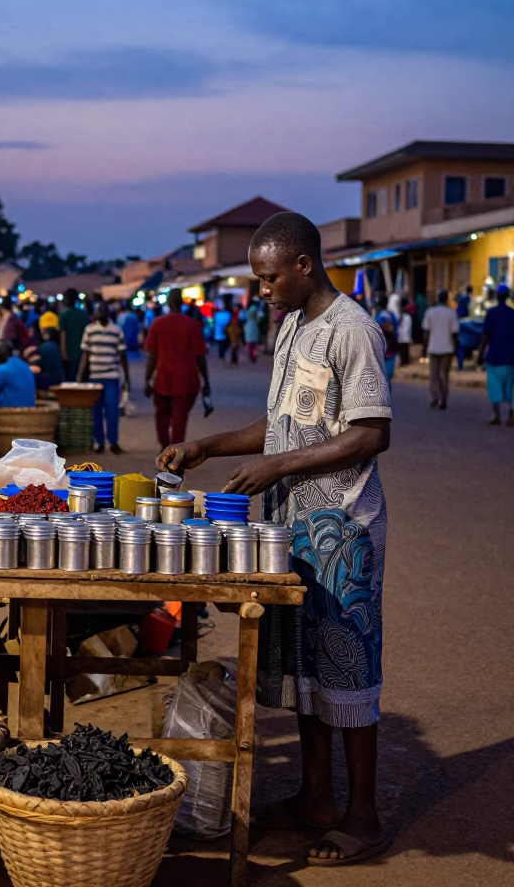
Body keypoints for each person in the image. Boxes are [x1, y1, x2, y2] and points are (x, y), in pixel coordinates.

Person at [157, 212, 392, 867]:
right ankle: (316, 798)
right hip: (291, 527)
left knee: (348, 667)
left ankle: (364, 815)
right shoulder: (292, 328)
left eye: (267, 279)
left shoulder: (353, 330)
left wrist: (279, 465)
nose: (261, 291)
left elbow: (372, 432)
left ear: (303, 266)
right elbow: (280, 423)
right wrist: (206, 445)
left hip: (343, 530)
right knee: (304, 669)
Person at [144, 288, 210, 449]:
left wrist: (147, 379)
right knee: (180, 420)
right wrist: (206, 381)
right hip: (187, 381)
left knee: (162, 418)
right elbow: (200, 357)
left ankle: (164, 447)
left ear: (168, 303)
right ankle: (175, 452)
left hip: (163, 380)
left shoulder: (157, 324)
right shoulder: (192, 326)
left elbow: (152, 355)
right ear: (182, 303)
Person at [78, 302, 130, 454]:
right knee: (96, 411)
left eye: (102, 311)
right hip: (94, 376)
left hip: (112, 376)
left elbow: (122, 355)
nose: (100, 314)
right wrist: (80, 376)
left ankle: (113, 442)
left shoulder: (116, 330)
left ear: (107, 313)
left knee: (112, 411)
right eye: (98, 311)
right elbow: (85, 355)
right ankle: (99, 442)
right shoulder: (89, 330)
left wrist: (127, 376)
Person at [478, 285, 514, 425]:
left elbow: (486, 335)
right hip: (510, 356)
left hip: (494, 356)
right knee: (510, 387)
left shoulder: (492, 313)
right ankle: (511, 414)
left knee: (494, 386)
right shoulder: (512, 313)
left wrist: (480, 354)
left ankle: (496, 414)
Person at [422, 290, 459, 410]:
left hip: (433, 347)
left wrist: (424, 348)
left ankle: (435, 397)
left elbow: (426, 332)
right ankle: (443, 399)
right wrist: (457, 347)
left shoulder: (430, 312)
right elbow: (455, 333)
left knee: (434, 375)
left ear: (438, 298)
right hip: (447, 348)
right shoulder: (451, 313)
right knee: (444, 375)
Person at [60, 289, 89, 379]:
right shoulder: (83, 314)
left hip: (70, 354)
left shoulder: (64, 314)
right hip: (83, 353)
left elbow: (63, 335)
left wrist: (63, 353)